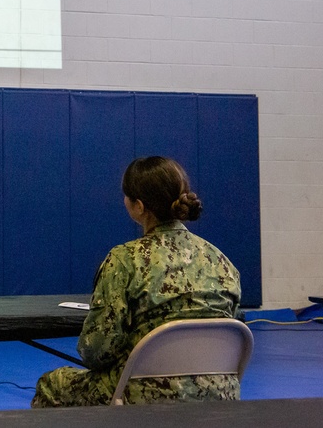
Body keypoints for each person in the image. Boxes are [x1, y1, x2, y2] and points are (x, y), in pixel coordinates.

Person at [32, 156, 242, 407]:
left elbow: (96, 350)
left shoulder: (124, 260)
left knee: (52, 385)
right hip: (220, 394)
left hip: (143, 393)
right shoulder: (222, 262)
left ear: (139, 206)